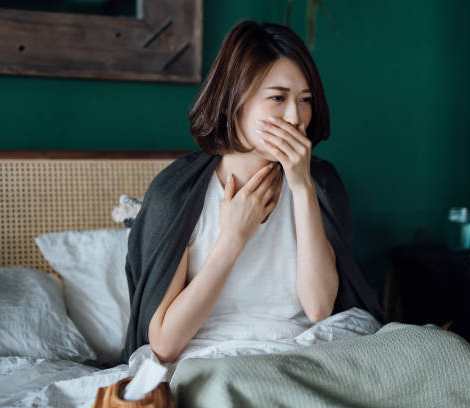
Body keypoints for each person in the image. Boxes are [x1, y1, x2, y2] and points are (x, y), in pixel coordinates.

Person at [121, 20, 383, 370]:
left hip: (306, 350)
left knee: (441, 349)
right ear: (233, 103)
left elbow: (319, 309)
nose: (295, 117)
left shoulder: (320, 183)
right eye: (278, 98)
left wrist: (302, 186)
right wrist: (233, 238)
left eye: (305, 100)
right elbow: (165, 345)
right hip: (216, 357)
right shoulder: (177, 194)